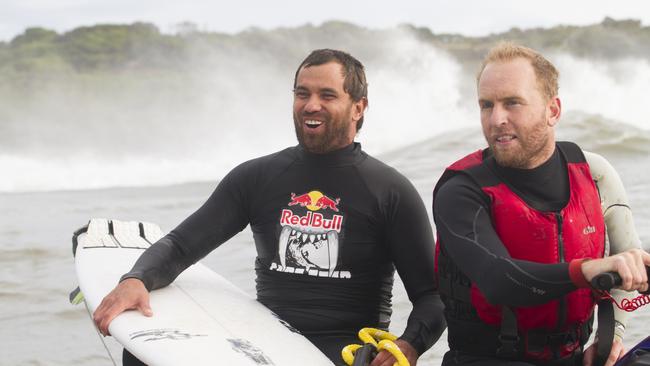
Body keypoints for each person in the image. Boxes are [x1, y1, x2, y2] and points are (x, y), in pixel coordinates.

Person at [93, 49, 446, 366]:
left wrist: (408, 346)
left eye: (327, 95)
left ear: (359, 107)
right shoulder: (257, 178)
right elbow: (183, 245)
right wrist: (136, 279)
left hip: (343, 352)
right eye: (302, 93)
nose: (311, 105)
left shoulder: (389, 191)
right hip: (264, 341)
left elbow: (432, 296)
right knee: (142, 351)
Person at [432, 42, 650, 366]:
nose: (496, 119)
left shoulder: (595, 173)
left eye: (512, 103)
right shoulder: (461, 190)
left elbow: (630, 266)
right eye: (486, 105)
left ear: (553, 110)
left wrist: (610, 339)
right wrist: (588, 270)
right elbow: (498, 279)